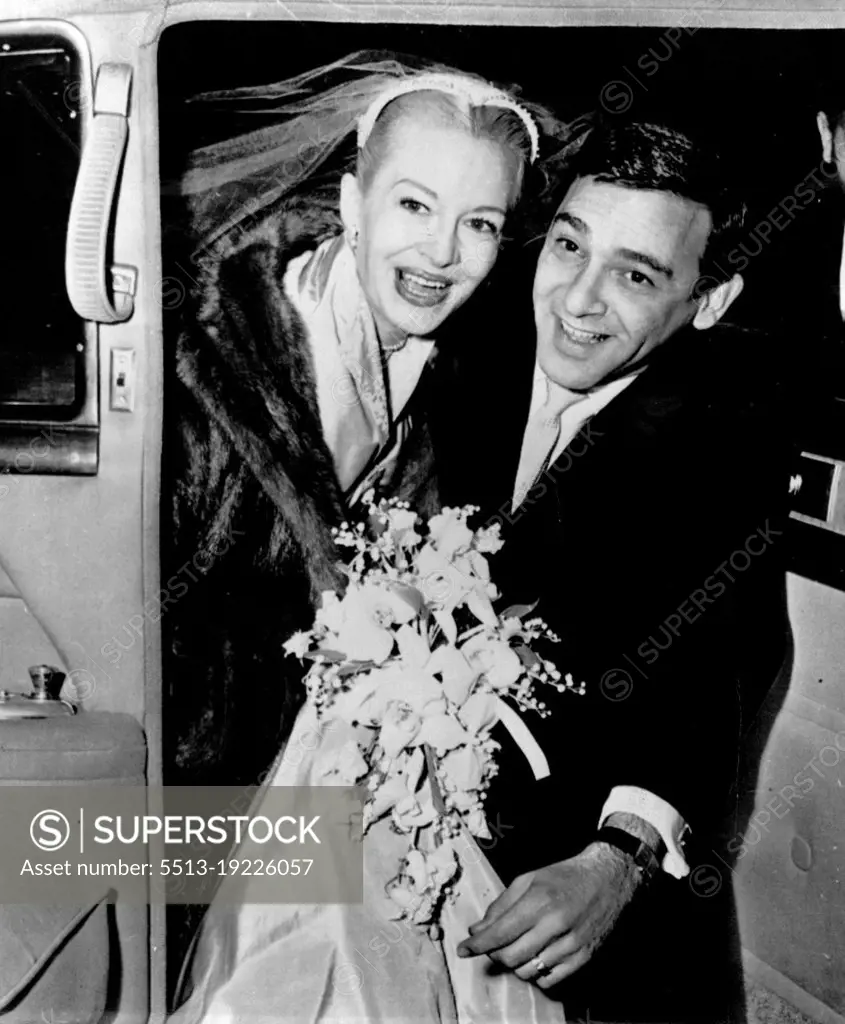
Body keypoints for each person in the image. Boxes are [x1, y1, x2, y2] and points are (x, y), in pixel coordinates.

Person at [436, 119, 794, 1024]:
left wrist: (615, 858)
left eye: (636, 274)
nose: (576, 302)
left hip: (566, 899)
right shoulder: (457, 349)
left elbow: (723, 675)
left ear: (707, 304)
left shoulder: (725, 444)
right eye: (566, 246)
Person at [162, 50, 557, 794]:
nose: (441, 253)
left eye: (479, 223)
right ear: (349, 203)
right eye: (413, 205)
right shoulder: (202, 365)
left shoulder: (445, 367)